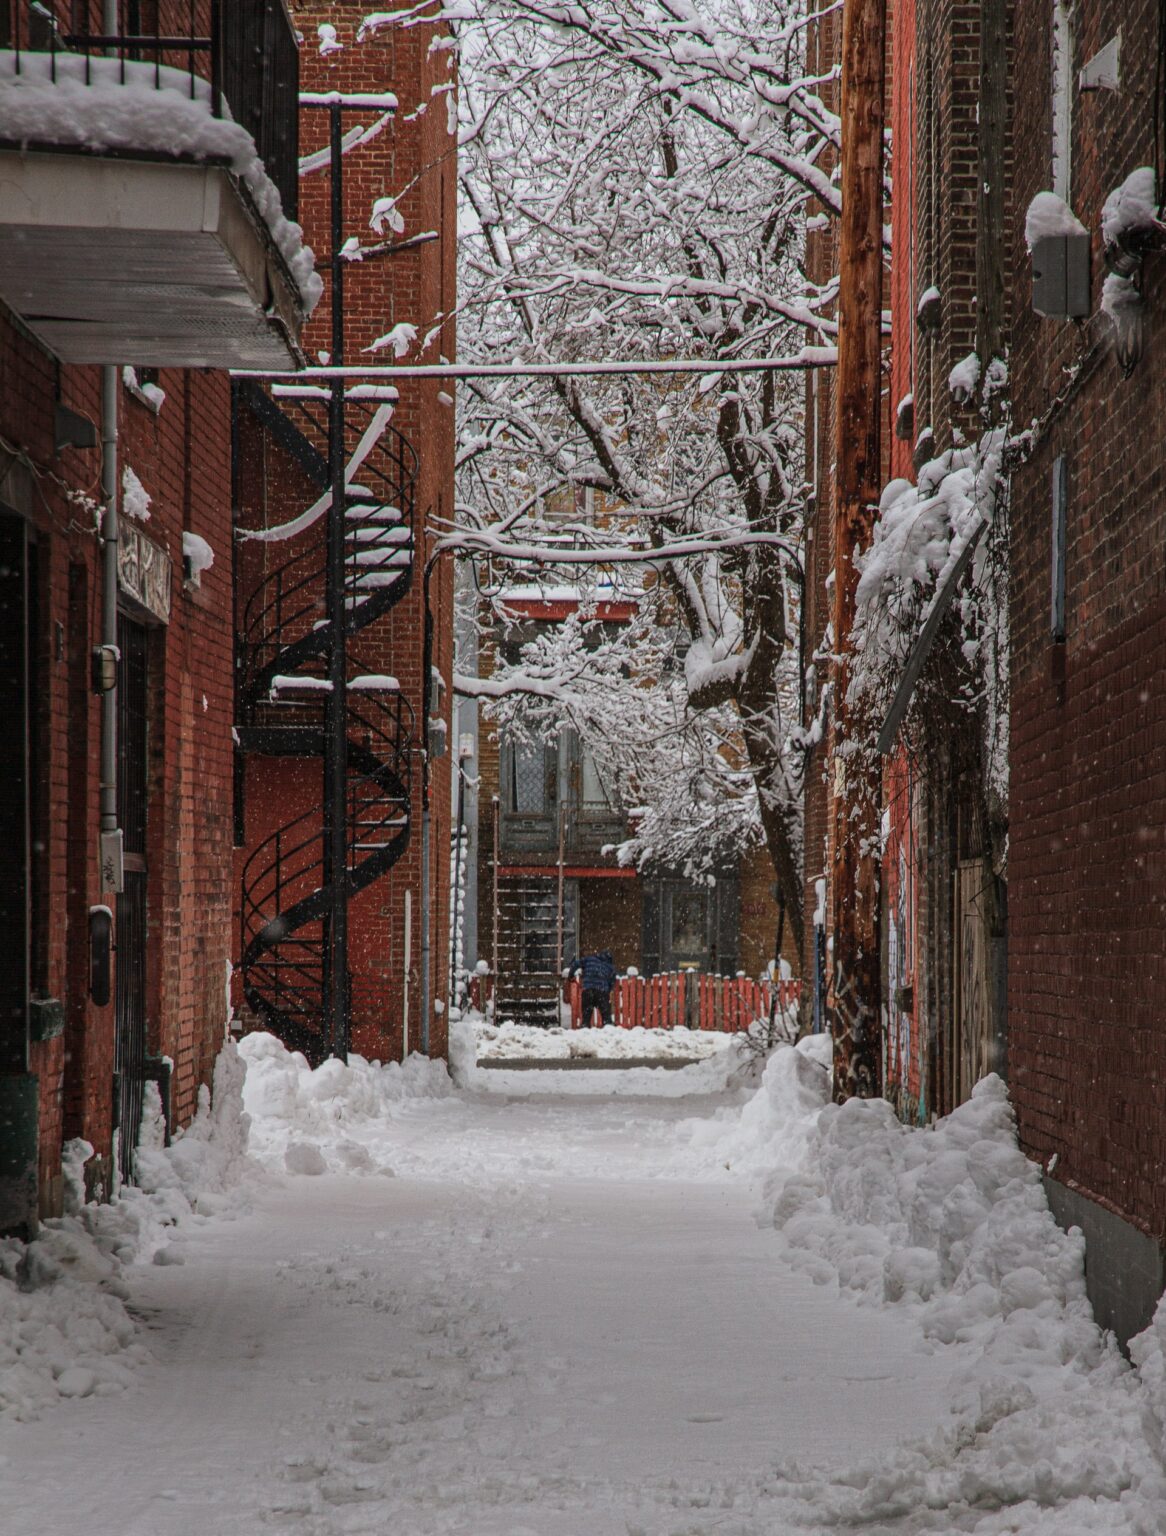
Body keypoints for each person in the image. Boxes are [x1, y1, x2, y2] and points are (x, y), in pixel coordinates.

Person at [568, 949, 616, 1028]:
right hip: (602, 992)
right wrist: (608, 991)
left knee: (586, 1015)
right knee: (606, 1018)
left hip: (588, 990)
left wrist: (571, 976)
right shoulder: (610, 967)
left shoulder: (589, 959)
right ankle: (608, 1030)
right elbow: (612, 982)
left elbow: (575, 964)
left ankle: (585, 1029)